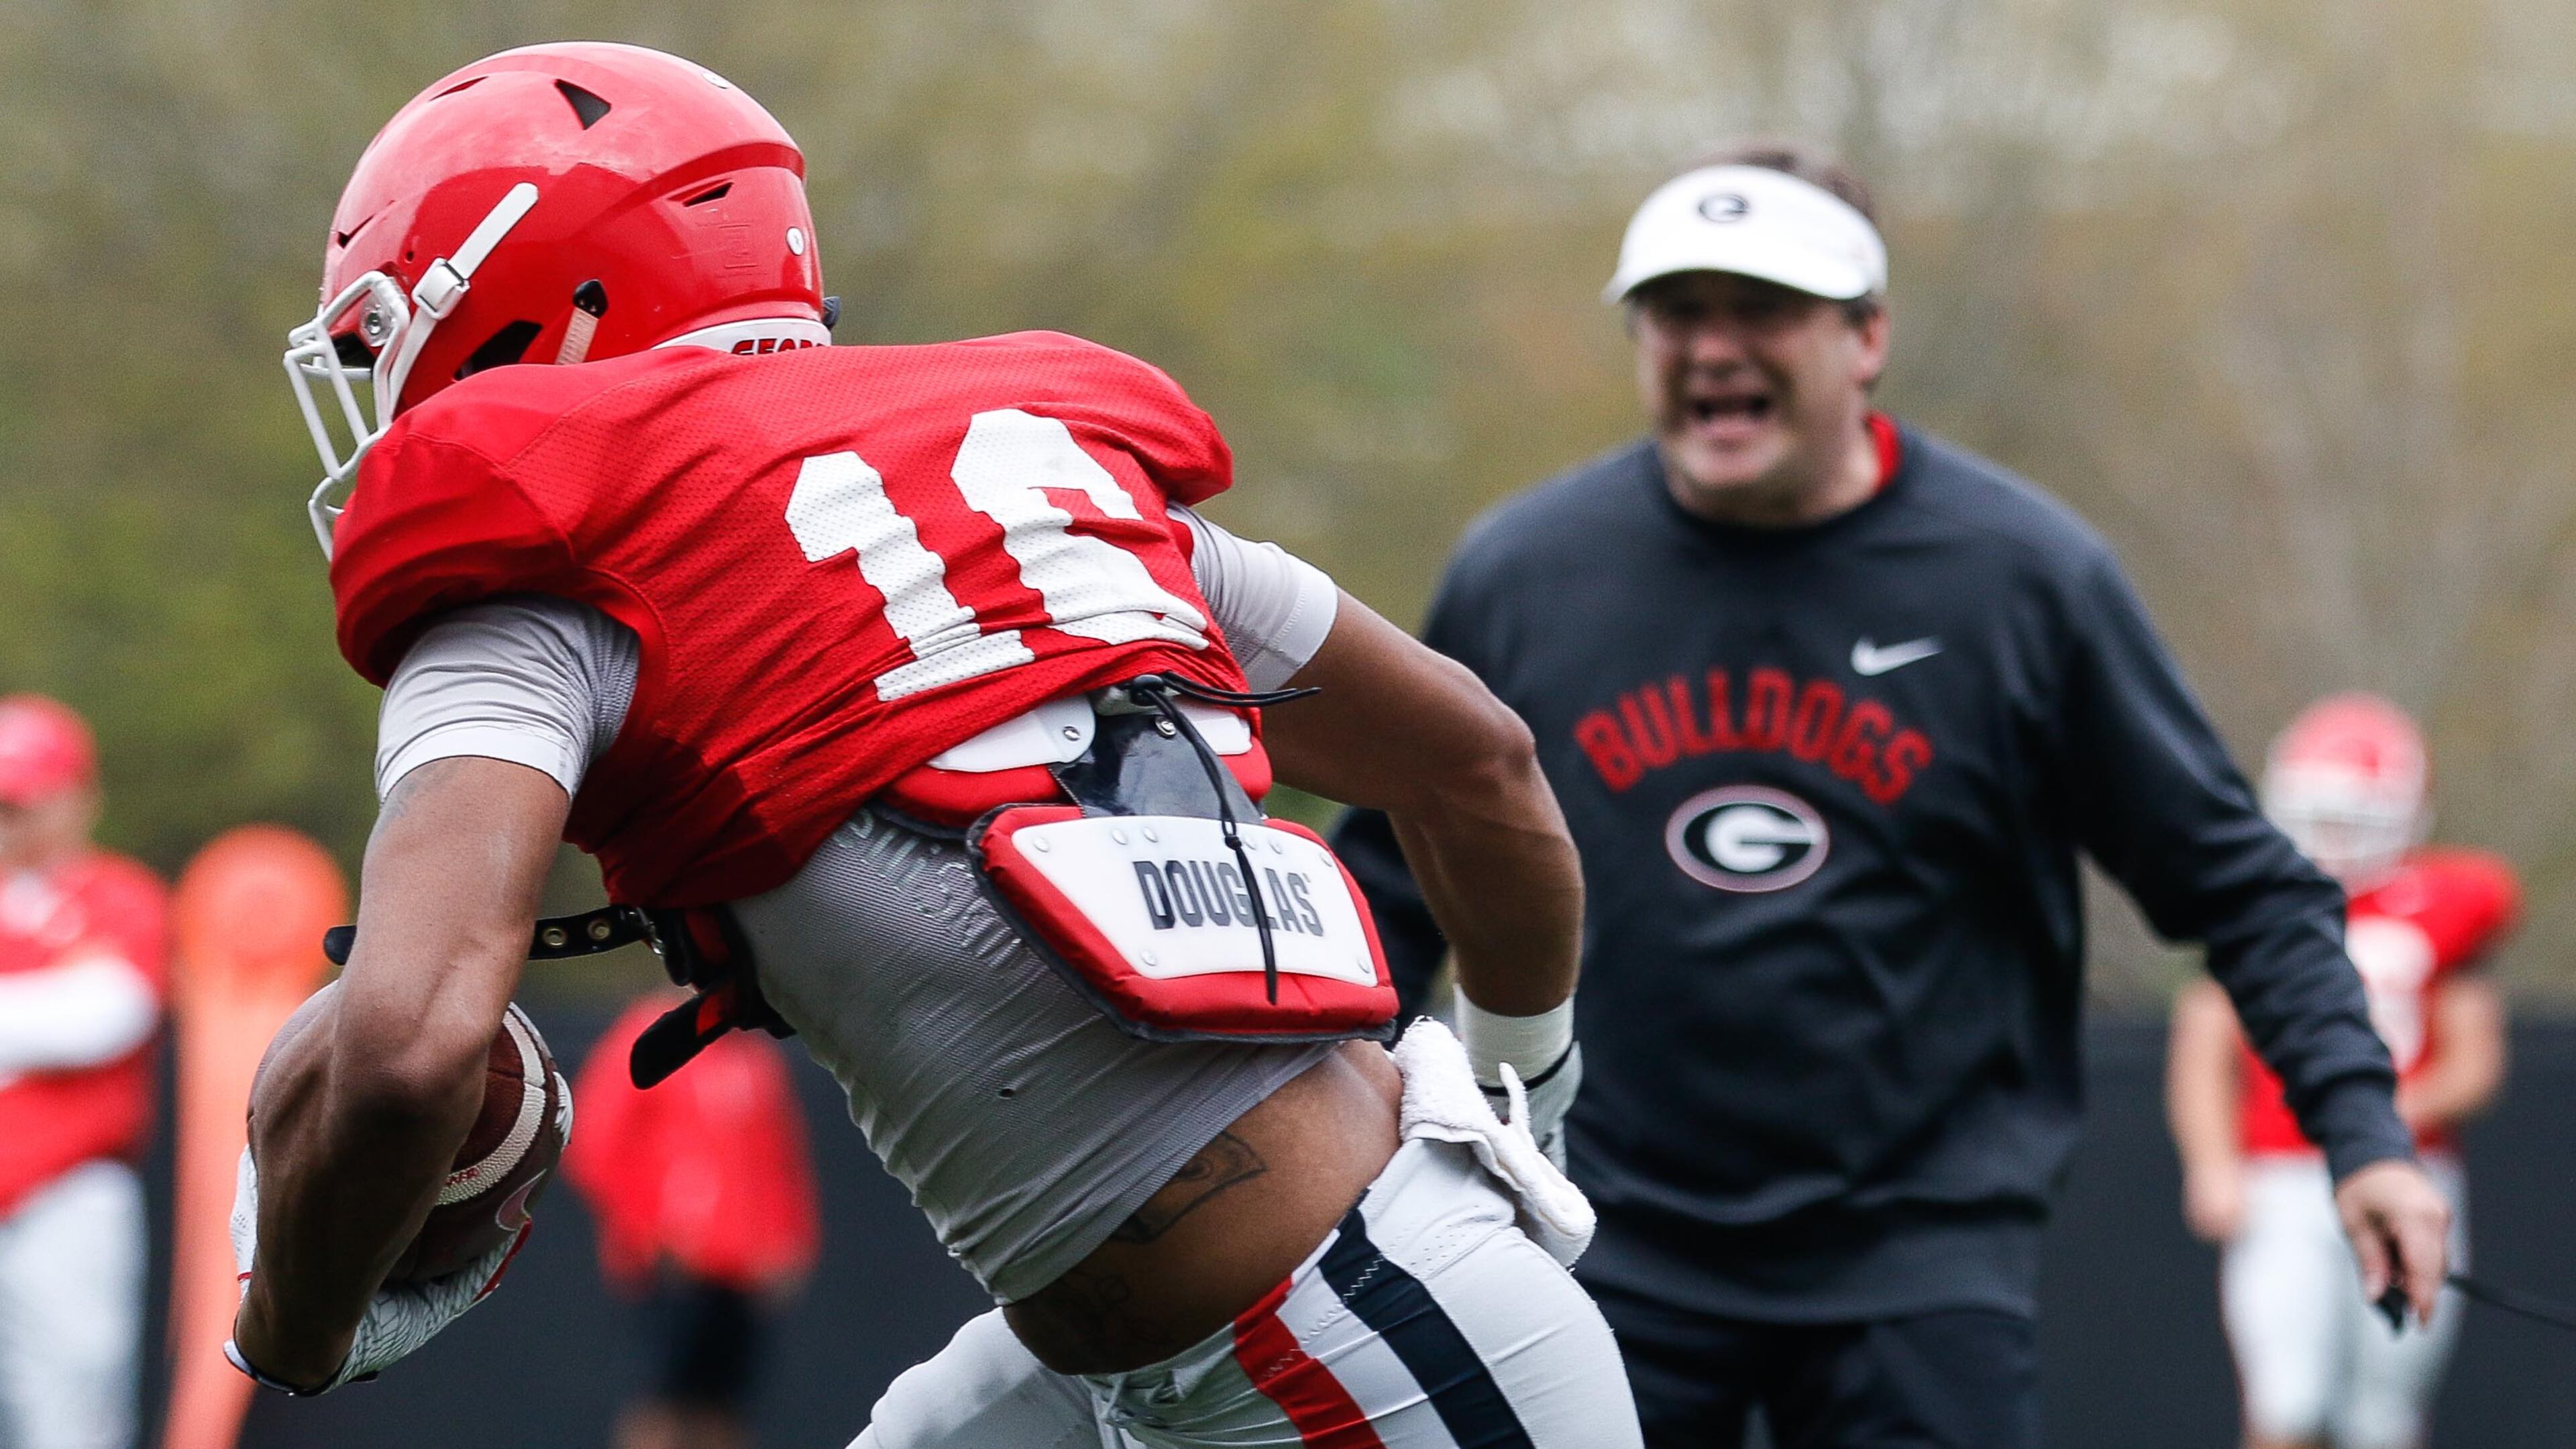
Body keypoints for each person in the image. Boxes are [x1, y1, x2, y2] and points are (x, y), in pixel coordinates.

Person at [223, 42, 1640, 1448]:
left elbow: (410, 1049)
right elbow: (1480, 764)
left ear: (543, 301)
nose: (379, 381)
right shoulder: (1045, 477)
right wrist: (1530, 1096)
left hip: (1367, 1347)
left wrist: (291, 1321)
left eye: (383, 327)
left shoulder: (538, 581)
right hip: (1254, 1323)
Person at [1330, 141, 2452, 1448]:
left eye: (1762, 312)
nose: (1712, 348)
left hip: (1918, 1259)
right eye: (1679, 313)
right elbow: (1391, 889)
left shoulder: (2019, 580)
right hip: (1597, 1229)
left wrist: (2363, 1135)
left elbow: (2244, 888)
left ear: (1866, 337)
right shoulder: (1528, 574)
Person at [2169, 694, 2510, 1449]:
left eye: (2353, 819)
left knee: (2383, 1417)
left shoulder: (2443, 908)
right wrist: (2212, 1163)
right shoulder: (2264, 904)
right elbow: (2204, 1037)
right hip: (2282, 1178)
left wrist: (2373, 1127)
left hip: (2410, 1173)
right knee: (2284, 1401)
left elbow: (2474, 1060)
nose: (2332, 838)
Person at [0, 694, 168, 1449]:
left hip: (64, 1197)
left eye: (25, 802)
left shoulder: (118, 894)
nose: (13, 821)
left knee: (72, 1406)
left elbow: (106, 1016)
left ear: (78, 799)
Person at [566, 991, 823, 1449]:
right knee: (663, 1400)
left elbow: (778, 1160)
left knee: (725, 1406)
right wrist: (652, 1230)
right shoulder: (646, 1037)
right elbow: (593, 1145)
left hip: (743, 1270)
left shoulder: (753, 1055)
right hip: (675, 1268)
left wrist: (790, 1241)